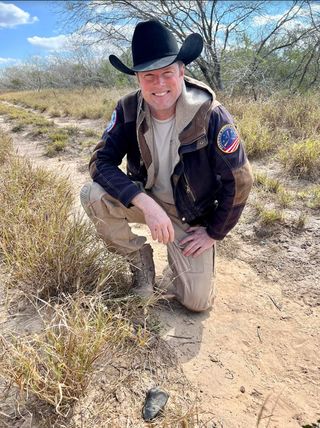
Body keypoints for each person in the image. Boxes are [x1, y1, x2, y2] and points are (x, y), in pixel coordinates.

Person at [80, 20, 253, 312]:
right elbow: (100, 161)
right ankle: (140, 263)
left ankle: (184, 266)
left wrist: (213, 233)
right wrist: (145, 203)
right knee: (91, 194)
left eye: (167, 73)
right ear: (137, 79)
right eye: (149, 76)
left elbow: (240, 181)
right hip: (147, 199)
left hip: (189, 213)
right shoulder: (128, 108)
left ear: (181, 72)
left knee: (196, 303)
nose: (159, 85)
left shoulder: (209, 114)